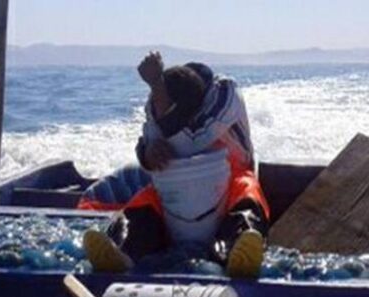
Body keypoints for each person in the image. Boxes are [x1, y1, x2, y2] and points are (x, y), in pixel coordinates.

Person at [78, 51, 270, 278]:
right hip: (177, 183)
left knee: (247, 190)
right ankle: (122, 249)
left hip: (231, 176)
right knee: (146, 199)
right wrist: (149, 154)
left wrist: (157, 86)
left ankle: (237, 249)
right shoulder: (156, 102)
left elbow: (195, 140)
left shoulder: (225, 95)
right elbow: (148, 138)